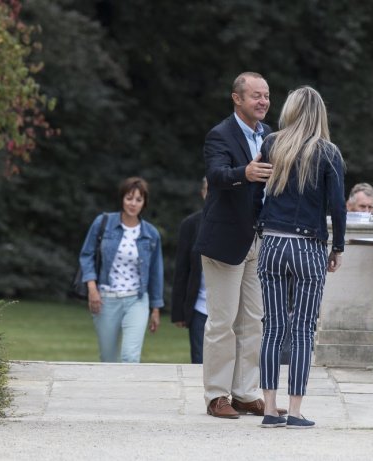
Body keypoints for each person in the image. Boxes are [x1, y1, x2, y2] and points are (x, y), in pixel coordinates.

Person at [253, 86, 346, 429]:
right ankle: (294, 410)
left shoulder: (271, 144)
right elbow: (337, 207)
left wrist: (258, 227)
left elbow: (255, 194)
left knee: (272, 328)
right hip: (308, 246)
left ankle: (268, 408)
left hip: (273, 244)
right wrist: (338, 247)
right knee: (303, 329)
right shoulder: (328, 152)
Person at [194, 71, 285, 419]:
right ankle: (217, 395)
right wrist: (241, 174)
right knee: (221, 322)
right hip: (224, 241)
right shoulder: (219, 135)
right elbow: (216, 175)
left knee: (253, 320)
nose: (263, 101)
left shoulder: (271, 136)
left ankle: (245, 392)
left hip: (259, 239)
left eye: (266, 95)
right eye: (255, 96)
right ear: (237, 99)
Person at [79, 177, 164, 363]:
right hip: (106, 299)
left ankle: (130, 392)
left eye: (138, 199)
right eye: (129, 198)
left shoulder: (151, 234)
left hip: (137, 299)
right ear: (122, 199)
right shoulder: (103, 223)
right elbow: (86, 255)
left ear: (144, 203)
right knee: (108, 358)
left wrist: (156, 309)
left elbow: (156, 273)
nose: (133, 204)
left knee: (130, 356)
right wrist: (92, 289)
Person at [171, 178, 208, 364]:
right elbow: (182, 269)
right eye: (209, 190)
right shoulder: (190, 225)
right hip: (200, 307)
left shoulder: (238, 223)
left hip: (229, 309)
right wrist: (179, 311)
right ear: (203, 193)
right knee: (199, 361)